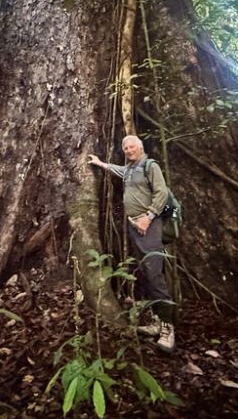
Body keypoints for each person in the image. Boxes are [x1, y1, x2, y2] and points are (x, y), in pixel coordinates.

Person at [88, 135, 175, 353]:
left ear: (140, 147)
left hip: (149, 225)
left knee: (154, 273)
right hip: (135, 227)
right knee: (144, 272)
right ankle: (156, 321)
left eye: (132, 147)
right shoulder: (129, 169)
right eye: (125, 148)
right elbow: (117, 169)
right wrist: (100, 163)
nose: (128, 150)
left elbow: (162, 193)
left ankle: (168, 328)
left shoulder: (150, 166)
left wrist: (148, 217)